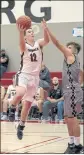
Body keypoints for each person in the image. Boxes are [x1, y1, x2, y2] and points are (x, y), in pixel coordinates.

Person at [42, 20, 83, 154]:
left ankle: (77, 145)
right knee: (67, 118)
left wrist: (47, 29)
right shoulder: (72, 60)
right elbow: (81, 73)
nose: (66, 48)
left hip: (72, 91)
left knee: (72, 118)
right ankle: (71, 143)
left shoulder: (71, 56)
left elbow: (57, 43)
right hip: (69, 91)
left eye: (69, 47)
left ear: (74, 50)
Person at [8, 19, 49, 140]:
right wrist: (20, 32)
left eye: (32, 31)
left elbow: (47, 40)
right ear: (25, 36)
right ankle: (11, 108)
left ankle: (21, 126)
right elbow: (20, 43)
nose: (31, 33)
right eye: (29, 32)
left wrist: (45, 29)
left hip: (35, 78)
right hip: (24, 75)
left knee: (27, 104)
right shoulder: (23, 45)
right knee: (20, 92)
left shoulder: (38, 43)